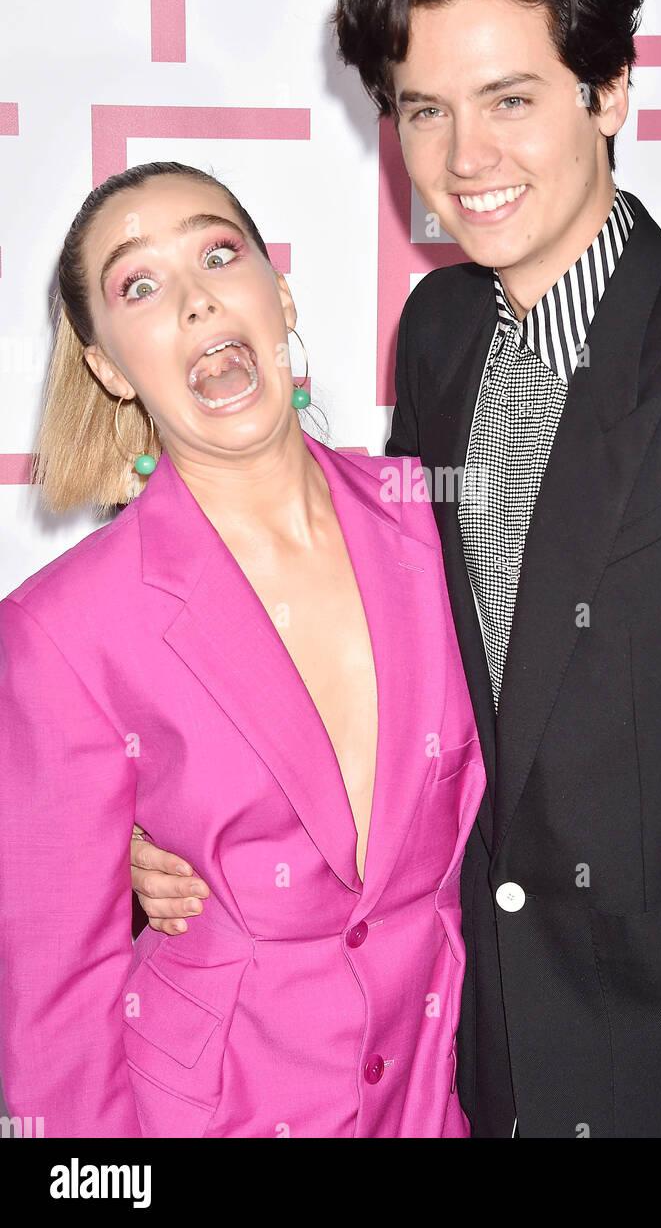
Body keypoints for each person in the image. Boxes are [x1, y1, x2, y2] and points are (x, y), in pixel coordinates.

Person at [132, 0, 661, 1138]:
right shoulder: (442, 332)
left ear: (611, 91)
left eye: (512, 100)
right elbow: (420, 684)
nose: (466, 159)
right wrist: (205, 834)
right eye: (427, 110)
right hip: (483, 1047)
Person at [0, 160, 486, 1138]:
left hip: (444, 1094)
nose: (194, 298)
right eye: (139, 284)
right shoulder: (62, 630)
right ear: (106, 366)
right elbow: (56, 1004)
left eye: (220, 253)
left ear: (280, 293)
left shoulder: (441, 519)